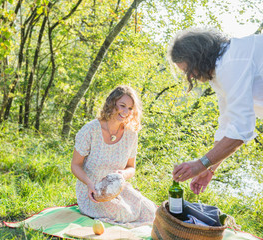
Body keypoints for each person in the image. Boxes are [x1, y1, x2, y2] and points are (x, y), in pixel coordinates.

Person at [168, 28, 263, 195]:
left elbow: (241, 130)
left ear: (198, 57)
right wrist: (209, 168)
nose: (190, 78)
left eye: (189, 71)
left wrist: (200, 164)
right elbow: (227, 125)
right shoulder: (219, 72)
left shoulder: (231, 63)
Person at [71, 85, 156, 228]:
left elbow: (131, 168)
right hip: (93, 192)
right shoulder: (90, 130)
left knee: (151, 211)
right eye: (122, 105)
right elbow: (75, 165)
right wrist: (90, 184)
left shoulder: (131, 134)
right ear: (112, 103)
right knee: (125, 214)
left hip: (118, 188)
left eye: (130, 108)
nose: (125, 112)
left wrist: (122, 174)